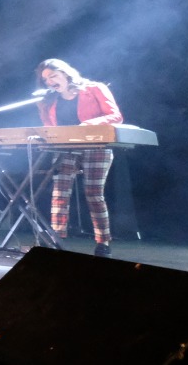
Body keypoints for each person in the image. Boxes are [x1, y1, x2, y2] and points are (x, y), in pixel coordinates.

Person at [36, 58, 123, 257]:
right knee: (60, 192)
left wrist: (89, 125)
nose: (50, 82)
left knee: (93, 194)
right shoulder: (49, 100)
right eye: (46, 80)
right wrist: (42, 109)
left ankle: (103, 242)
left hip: (96, 146)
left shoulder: (94, 89)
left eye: (53, 76)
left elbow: (115, 116)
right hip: (65, 148)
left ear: (66, 73)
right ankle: (56, 238)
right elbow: (50, 127)